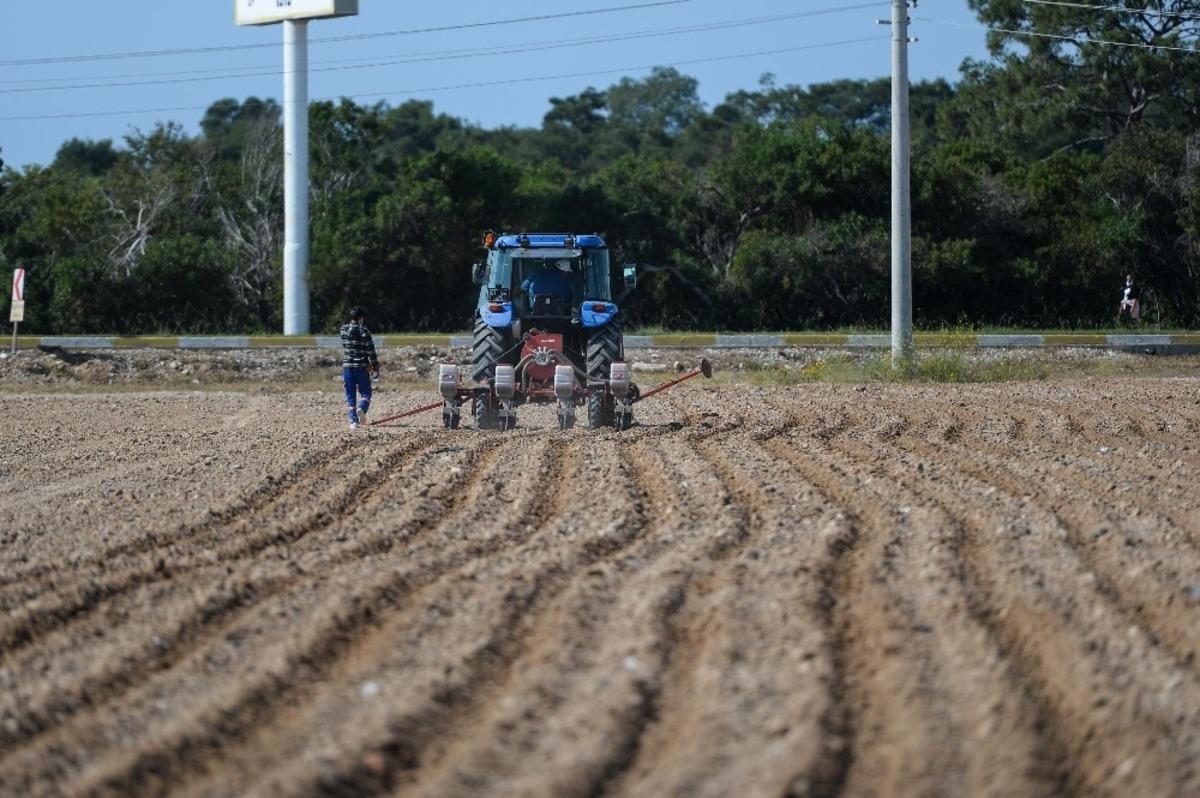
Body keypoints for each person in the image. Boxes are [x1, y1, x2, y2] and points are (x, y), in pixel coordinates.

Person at [340, 306, 380, 429]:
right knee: (366, 392)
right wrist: (375, 366)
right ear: (361, 318)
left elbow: (348, 347)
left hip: (347, 368)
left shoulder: (343, 330)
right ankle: (361, 408)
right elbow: (370, 351)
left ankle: (353, 422)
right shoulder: (364, 331)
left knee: (350, 395)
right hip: (362, 368)